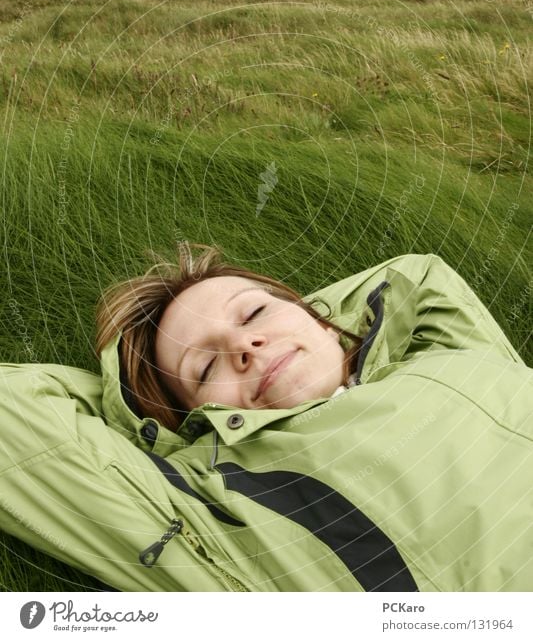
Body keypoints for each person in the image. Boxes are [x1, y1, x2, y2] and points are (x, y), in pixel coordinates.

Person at [0, 244, 532, 592]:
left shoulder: (440, 353)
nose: (243, 343)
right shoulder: (218, 505)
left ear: (320, 315)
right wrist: (141, 426)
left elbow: (415, 276)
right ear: (198, 419)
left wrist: (329, 337)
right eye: (206, 366)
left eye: (255, 313)